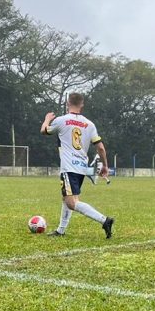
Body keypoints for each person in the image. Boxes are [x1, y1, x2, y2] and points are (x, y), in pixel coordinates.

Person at [40, 92, 114, 237]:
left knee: (71, 202)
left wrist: (47, 119)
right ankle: (61, 230)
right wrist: (105, 166)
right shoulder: (90, 124)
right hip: (81, 168)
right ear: (82, 105)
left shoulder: (61, 120)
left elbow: (44, 131)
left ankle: (104, 220)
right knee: (67, 198)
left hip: (69, 167)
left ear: (68, 103)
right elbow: (100, 148)